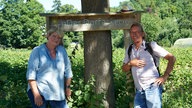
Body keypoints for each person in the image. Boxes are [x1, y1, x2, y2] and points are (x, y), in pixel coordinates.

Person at [122, 22, 176, 108]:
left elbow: (172, 58)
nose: (134, 34)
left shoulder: (151, 46)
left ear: (142, 33)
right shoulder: (129, 49)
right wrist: (131, 63)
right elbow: (124, 69)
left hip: (153, 87)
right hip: (139, 90)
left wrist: (165, 76)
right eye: (132, 32)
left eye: (137, 32)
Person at [26, 27, 73, 108]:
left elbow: (68, 71)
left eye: (59, 37)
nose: (56, 39)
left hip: (57, 91)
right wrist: (36, 95)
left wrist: (67, 88)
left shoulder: (62, 51)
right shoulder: (37, 51)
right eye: (54, 36)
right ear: (48, 36)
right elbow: (31, 75)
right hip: (39, 90)